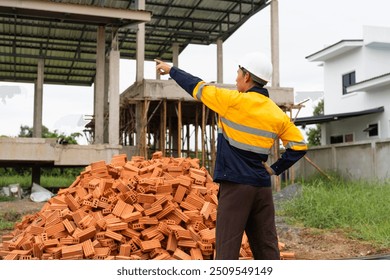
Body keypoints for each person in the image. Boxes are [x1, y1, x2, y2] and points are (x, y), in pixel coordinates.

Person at [155, 52, 307, 260]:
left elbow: (197, 87)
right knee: (267, 250)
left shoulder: (231, 101)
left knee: (227, 252)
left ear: (247, 77)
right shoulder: (276, 113)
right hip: (262, 188)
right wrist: (274, 169)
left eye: (238, 73)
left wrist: (171, 70)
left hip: (236, 187)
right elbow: (300, 146)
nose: (235, 78)